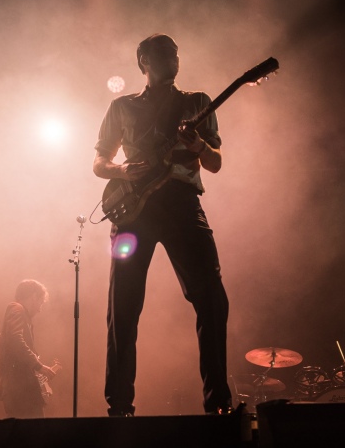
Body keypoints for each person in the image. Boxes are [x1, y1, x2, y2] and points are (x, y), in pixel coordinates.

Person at [93, 34, 231, 416]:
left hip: (182, 204)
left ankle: (218, 403)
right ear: (143, 62)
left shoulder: (196, 102)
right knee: (122, 305)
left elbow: (216, 163)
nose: (173, 58)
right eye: (164, 53)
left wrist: (199, 145)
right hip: (134, 211)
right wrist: (122, 168)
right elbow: (99, 162)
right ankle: (119, 406)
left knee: (212, 299)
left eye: (175, 52)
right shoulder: (122, 106)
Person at [0, 279, 57, 418]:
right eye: (41, 302)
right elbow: (15, 339)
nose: (40, 309)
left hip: (19, 387)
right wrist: (38, 366)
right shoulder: (17, 309)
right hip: (20, 388)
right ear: (34, 296)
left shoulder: (20, 314)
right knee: (33, 431)